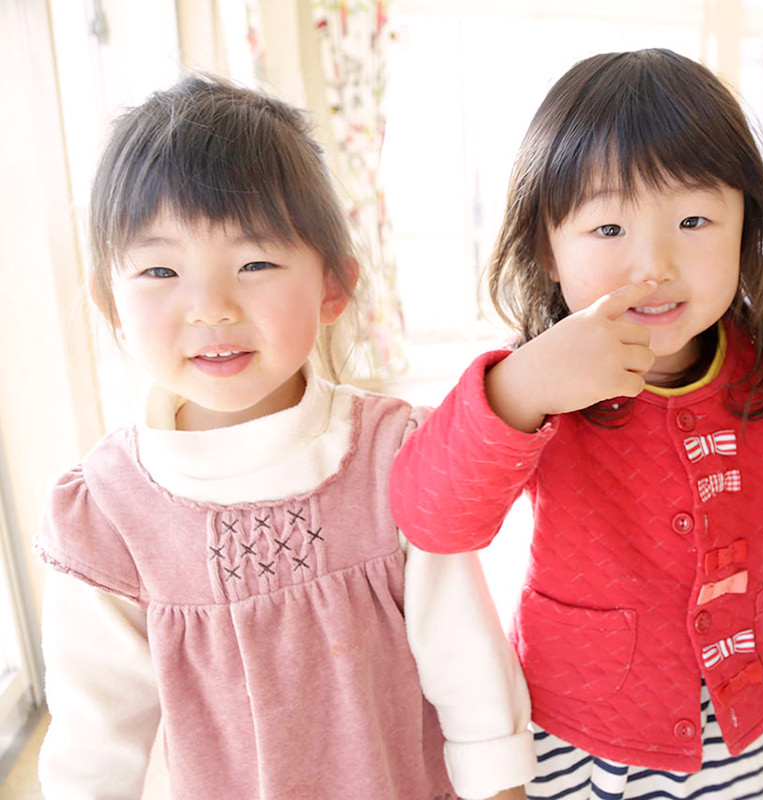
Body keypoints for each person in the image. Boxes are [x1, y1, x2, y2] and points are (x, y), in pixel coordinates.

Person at [390, 48, 763, 799]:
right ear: (546, 248)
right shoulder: (539, 377)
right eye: (608, 228)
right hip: (594, 711)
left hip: (745, 689)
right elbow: (432, 518)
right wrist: (520, 387)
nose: (653, 264)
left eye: (694, 220)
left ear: (747, 229)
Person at [35, 74, 533, 799]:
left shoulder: (393, 454)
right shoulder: (107, 514)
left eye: (255, 264)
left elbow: (464, 657)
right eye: (160, 269)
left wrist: (499, 784)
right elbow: (93, 745)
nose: (210, 307)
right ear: (112, 302)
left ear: (333, 286)